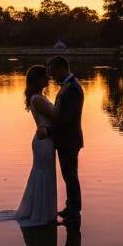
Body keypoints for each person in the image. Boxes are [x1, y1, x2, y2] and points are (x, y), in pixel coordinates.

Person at [0, 65, 59, 227]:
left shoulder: (38, 97)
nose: (48, 79)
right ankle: (41, 214)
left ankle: (45, 211)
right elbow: (57, 117)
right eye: (45, 76)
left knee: (45, 174)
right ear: (39, 79)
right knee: (43, 175)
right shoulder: (37, 99)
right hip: (44, 142)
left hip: (45, 140)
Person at [43, 56, 84, 223]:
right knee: (68, 175)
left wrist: (48, 131)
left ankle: (74, 211)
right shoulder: (68, 86)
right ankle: (70, 207)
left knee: (71, 175)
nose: (52, 76)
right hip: (66, 139)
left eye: (53, 72)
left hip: (69, 139)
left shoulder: (72, 88)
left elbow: (67, 118)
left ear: (61, 68)